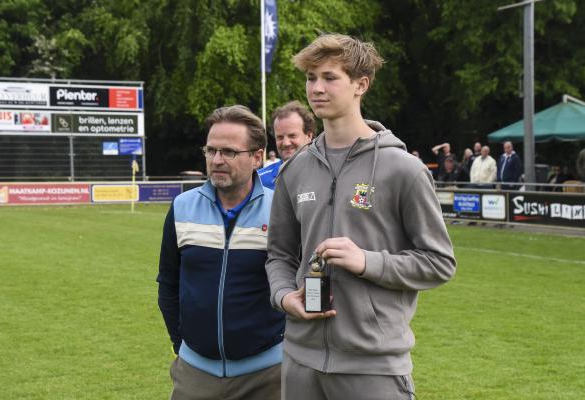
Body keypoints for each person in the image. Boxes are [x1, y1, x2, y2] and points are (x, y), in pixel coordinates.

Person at [265, 33, 456, 400]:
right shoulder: (294, 170)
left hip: (373, 366)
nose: (316, 88)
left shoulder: (404, 169)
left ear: (360, 84)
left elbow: (439, 262)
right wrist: (285, 296)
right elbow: (279, 255)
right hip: (300, 361)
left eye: (329, 77)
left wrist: (366, 261)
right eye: (310, 78)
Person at [157, 105, 284, 400]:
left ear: (257, 157)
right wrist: (181, 345)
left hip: (269, 376)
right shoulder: (181, 207)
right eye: (211, 150)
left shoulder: (281, 211)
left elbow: (303, 283)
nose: (217, 160)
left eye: (228, 152)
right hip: (195, 374)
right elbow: (168, 284)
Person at [258, 100, 316, 189]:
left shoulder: (328, 175)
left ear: (309, 136)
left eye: (292, 136)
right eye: (280, 137)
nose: (285, 143)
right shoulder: (259, 181)